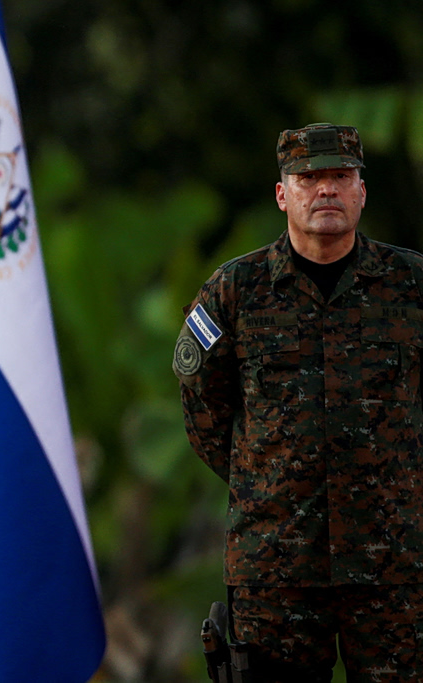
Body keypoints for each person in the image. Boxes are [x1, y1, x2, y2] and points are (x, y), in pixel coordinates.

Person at [174, 123, 423, 682]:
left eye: (340, 176)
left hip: (393, 561)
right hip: (276, 564)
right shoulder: (236, 290)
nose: (326, 190)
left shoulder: (410, 285)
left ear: (362, 191)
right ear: (283, 194)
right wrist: (268, 478)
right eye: (309, 178)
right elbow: (202, 408)